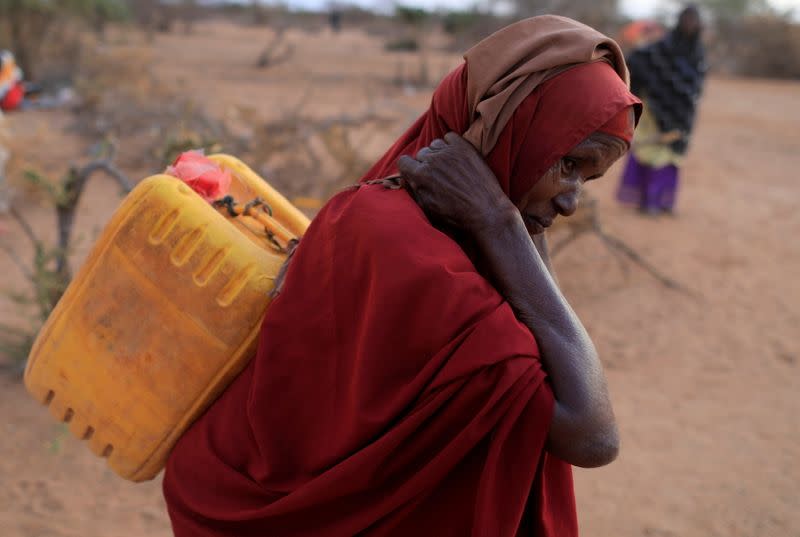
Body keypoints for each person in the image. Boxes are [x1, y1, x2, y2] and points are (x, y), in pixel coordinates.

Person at [163, 15, 640, 536]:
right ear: (511, 127)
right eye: (569, 164)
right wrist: (503, 225)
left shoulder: (387, 213)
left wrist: (509, 218)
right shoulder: (417, 257)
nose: (572, 202)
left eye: (588, 178)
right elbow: (593, 435)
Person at [616, 5, 707, 215]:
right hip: (657, 110)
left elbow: (696, 84)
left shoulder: (698, 52)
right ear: (679, 21)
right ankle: (647, 201)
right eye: (686, 20)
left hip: (683, 114)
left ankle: (665, 202)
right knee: (653, 154)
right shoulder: (664, 47)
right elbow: (642, 60)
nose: (689, 25)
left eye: (693, 20)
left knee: (672, 158)